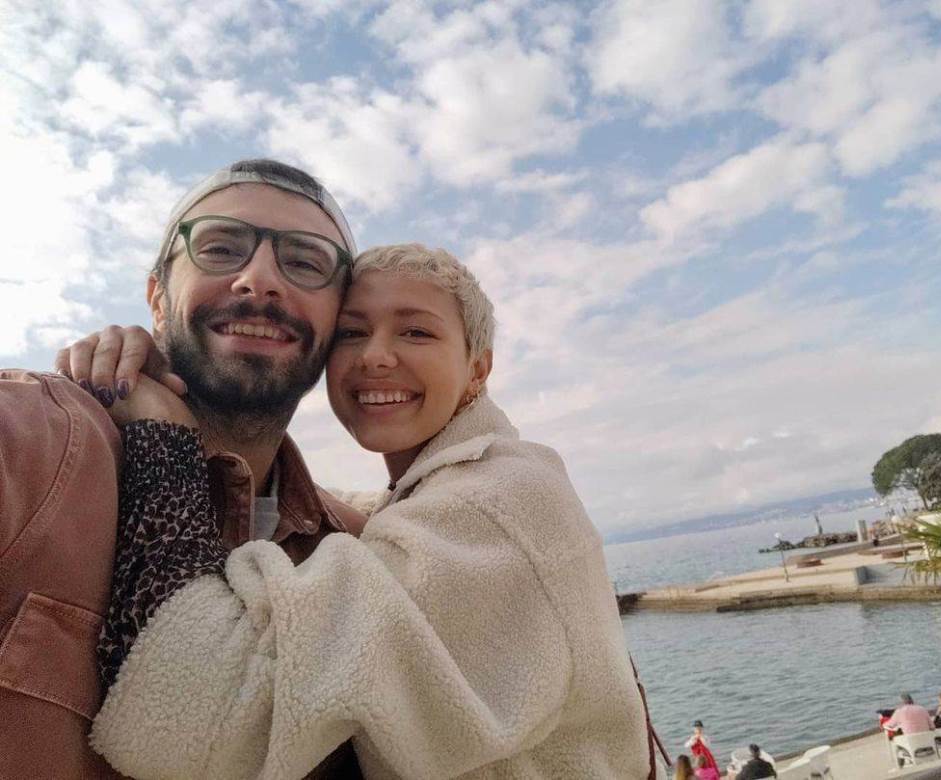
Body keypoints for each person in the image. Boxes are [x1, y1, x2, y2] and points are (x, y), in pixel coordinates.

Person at [83, 244, 649, 778]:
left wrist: (164, 436)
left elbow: (189, 721)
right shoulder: (445, 489)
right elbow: (383, 522)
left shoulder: (496, 501)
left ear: (478, 368)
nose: (376, 356)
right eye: (352, 333)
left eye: (416, 331)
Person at [0, 159, 366, 778]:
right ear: (157, 299)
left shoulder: (357, 549)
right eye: (221, 248)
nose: (259, 281)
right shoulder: (36, 441)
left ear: (339, 321)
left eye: (305, 262)